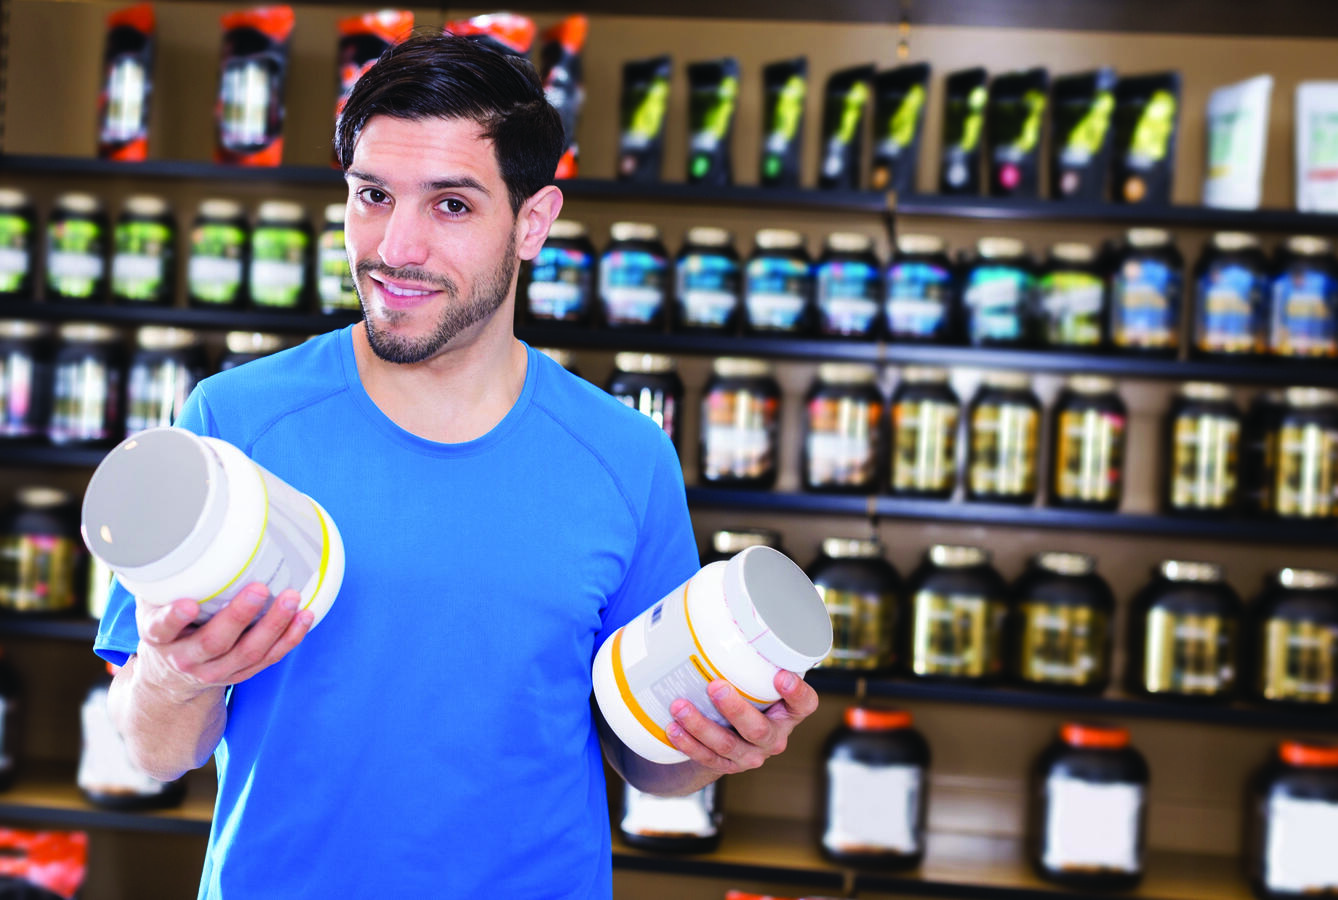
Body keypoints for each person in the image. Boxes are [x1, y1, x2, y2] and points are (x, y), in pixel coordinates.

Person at [92, 31, 820, 899]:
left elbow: (644, 761)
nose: (395, 247)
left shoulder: (626, 456)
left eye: (450, 205)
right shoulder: (234, 423)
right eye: (371, 195)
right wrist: (172, 675)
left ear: (533, 223)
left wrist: (712, 746)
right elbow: (155, 750)